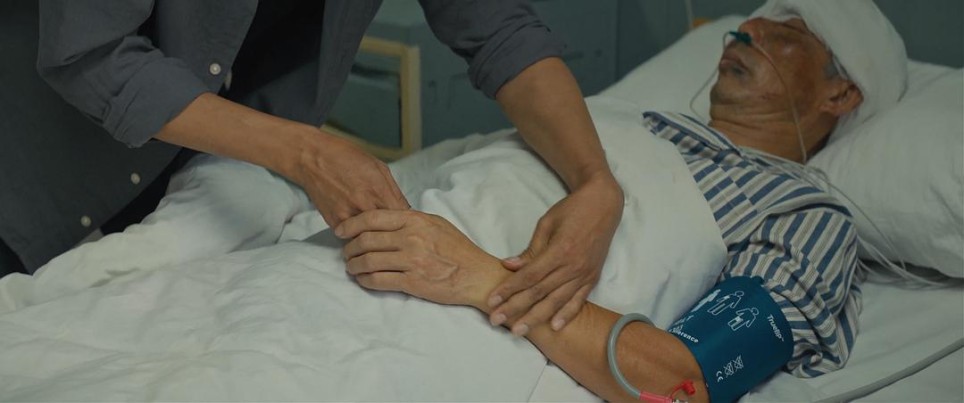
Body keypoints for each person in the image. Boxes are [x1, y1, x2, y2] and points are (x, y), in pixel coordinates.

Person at [336, 0, 908, 400]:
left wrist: (480, 278)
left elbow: (684, 382)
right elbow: (438, 177)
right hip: (353, 265)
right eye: (748, 24)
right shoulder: (606, 119)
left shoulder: (801, 212)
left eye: (786, 35)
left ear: (841, 93)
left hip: (442, 331)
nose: (746, 32)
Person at [2, 1, 625, 330]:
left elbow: (501, 32)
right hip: (39, 158)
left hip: (206, 165)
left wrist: (596, 182)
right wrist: (304, 151)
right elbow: (91, 52)